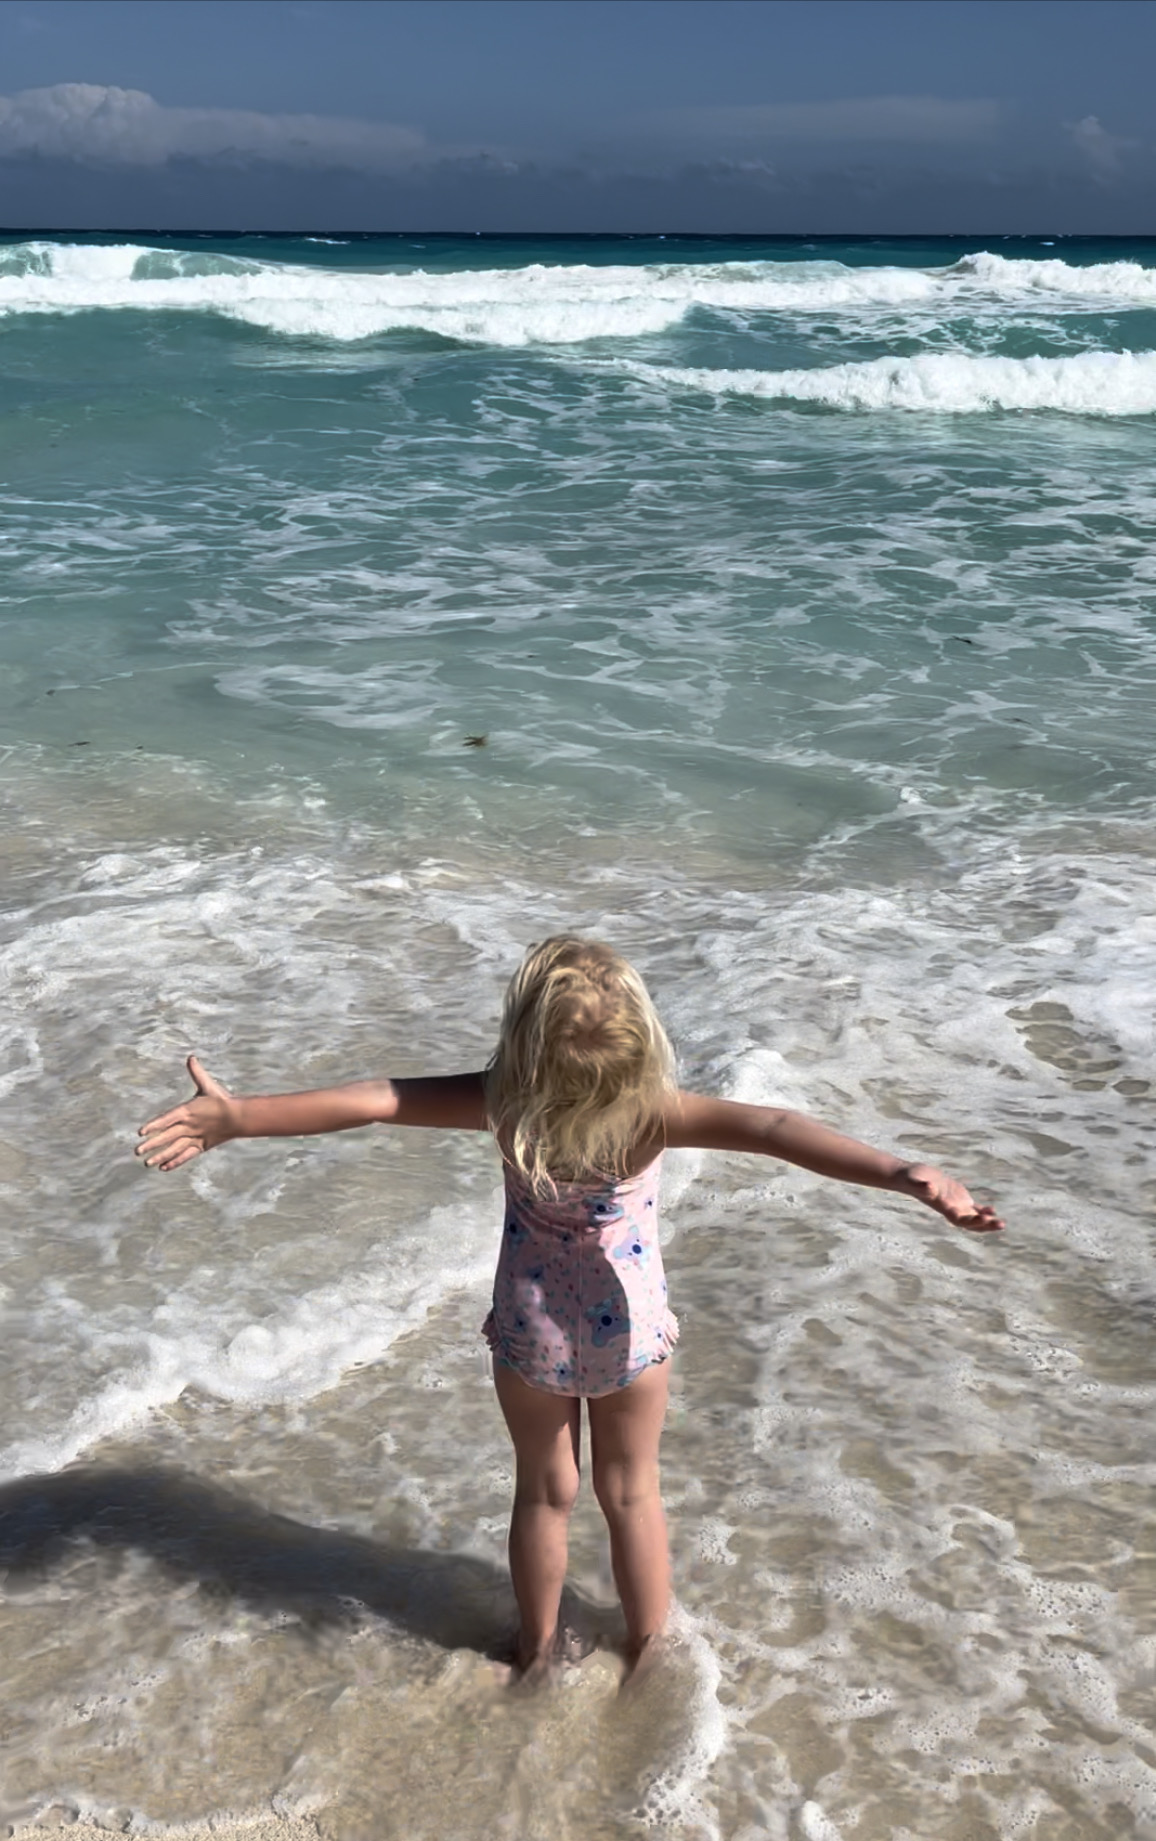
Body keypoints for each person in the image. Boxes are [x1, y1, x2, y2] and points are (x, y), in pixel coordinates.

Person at [137, 935, 1004, 1683]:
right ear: (637, 1046)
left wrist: (241, 1117)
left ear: (525, 1040)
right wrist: (901, 1171)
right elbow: (776, 1125)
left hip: (530, 1327)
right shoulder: (653, 1113)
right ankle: (651, 1655)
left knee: (545, 1494)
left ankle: (537, 1651)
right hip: (629, 1330)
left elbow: (375, 1099)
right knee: (632, 1494)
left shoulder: (502, 1100)